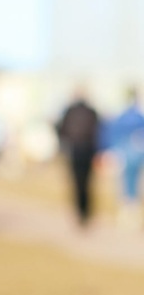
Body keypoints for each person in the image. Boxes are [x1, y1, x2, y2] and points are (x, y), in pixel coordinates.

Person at [56, 92, 101, 225]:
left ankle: (80, 211)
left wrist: (65, 143)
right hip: (88, 150)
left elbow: (60, 128)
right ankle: (86, 211)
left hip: (75, 149)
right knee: (87, 183)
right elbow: (100, 130)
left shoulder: (71, 111)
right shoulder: (91, 111)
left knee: (77, 183)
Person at [104, 88, 144, 228]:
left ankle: (127, 216)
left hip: (126, 155)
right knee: (133, 185)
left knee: (126, 185)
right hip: (134, 155)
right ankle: (130, 215)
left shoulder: (122, 117)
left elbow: (112, 137)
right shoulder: (138, 117)